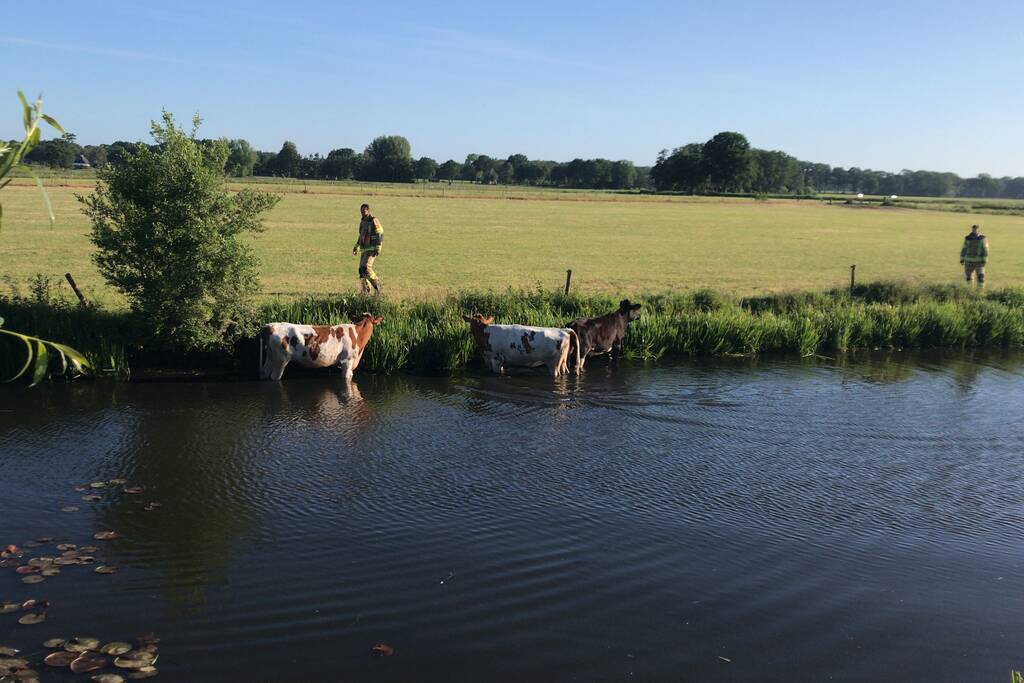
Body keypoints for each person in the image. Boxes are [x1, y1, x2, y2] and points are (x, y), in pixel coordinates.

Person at [352, 203, 384, 295]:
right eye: (361, 211)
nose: (362, 212)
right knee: (361, 270)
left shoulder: (374, 220)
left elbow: (380, 233)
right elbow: (361, 235)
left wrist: (378, 247)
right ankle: (365, 291)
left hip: (372, 249)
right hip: (364, 249)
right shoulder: (362, 222)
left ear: (369, 210)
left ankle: (378, 287)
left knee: (366, 268)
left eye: (364, 211)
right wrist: (356, 246)